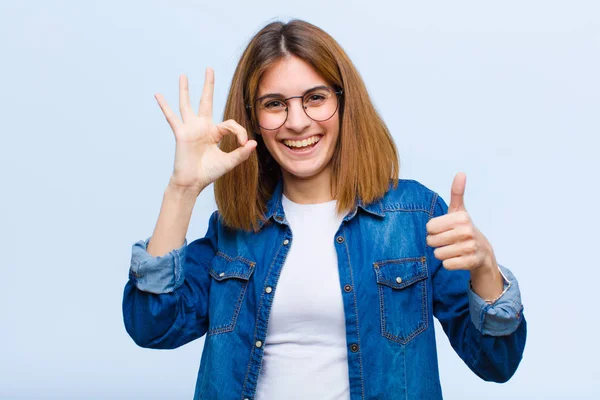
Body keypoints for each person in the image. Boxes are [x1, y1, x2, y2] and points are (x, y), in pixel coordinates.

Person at [122, 19, 526, 400]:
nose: (297, 122)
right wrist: (182, 190)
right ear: (254, 119)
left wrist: (486, 270)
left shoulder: (415, 216)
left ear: (343, 103)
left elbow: (496, 361)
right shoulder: (234, 230)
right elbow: (152, 325)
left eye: (315, 98)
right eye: (275, 103)